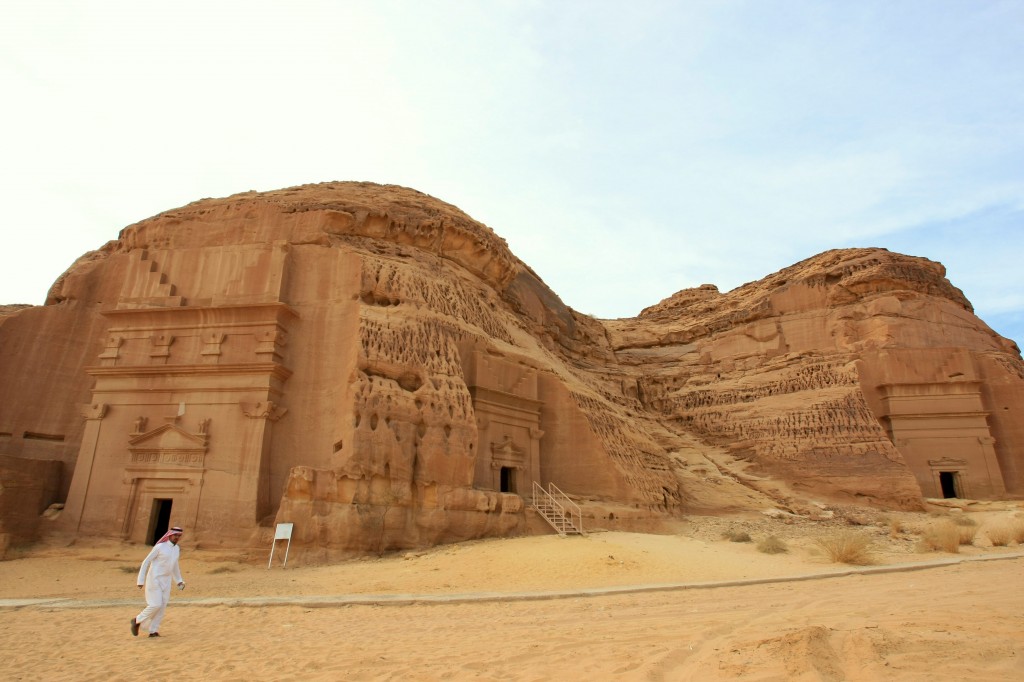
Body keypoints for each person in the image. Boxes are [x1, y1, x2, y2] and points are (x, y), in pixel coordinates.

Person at [130, 526, 186, 638]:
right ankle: (136, 620)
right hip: (154, 579)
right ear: (170, 535)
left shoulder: (176, 549)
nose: (177, 538)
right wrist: (140, 580)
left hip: (167, 580)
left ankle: (153, 631)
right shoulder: (160, 547)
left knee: (162, 606)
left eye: (179, 536)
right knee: (155, 604)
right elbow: (146, 562)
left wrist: (179, 581)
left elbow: (174, 565)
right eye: (175, 535)